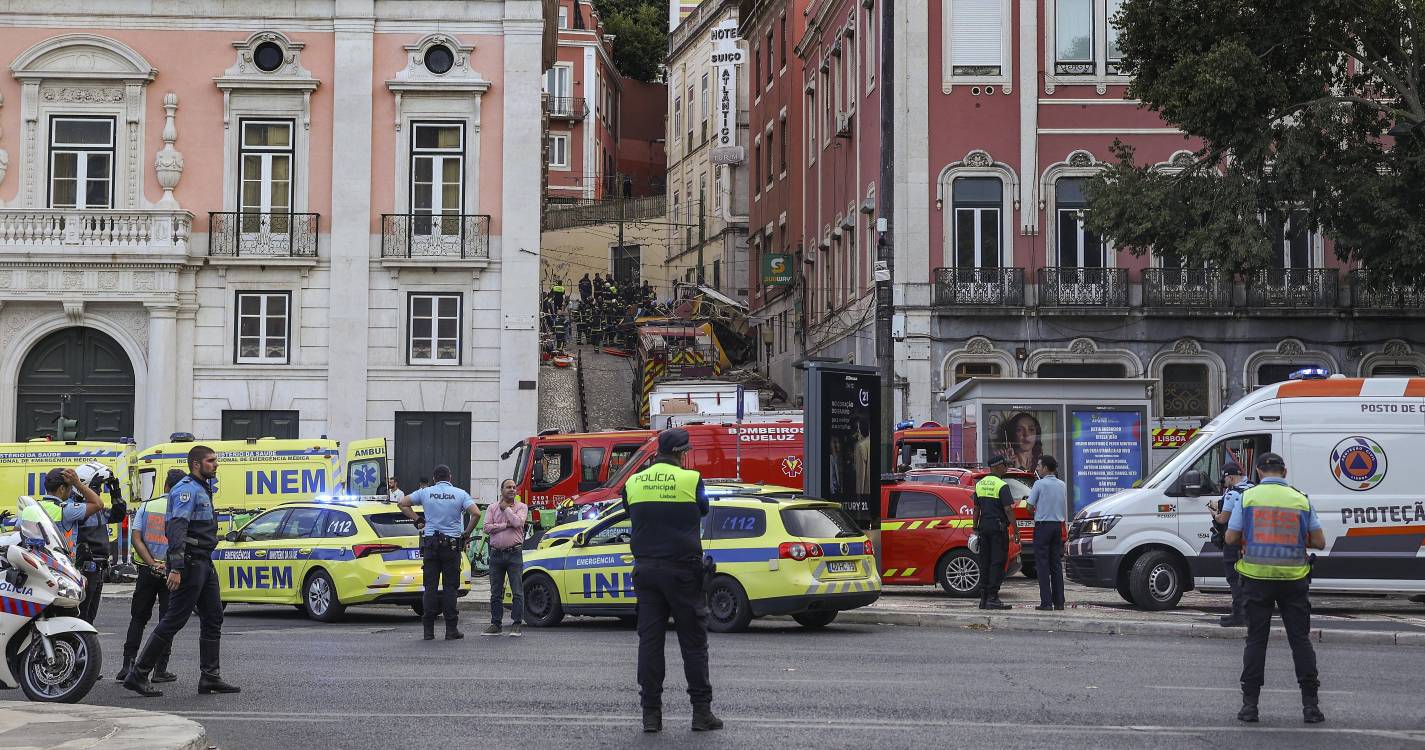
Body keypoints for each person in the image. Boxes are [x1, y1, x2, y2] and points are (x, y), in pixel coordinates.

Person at [622, 428, 721, 733]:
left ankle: (651, 715)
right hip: (682, 571)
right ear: (681, 453)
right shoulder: (691, 480)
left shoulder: (633, 482)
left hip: (647, 571)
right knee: (693, 644)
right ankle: (701, 714)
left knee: (650, 644)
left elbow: (630, 510)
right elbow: (703, 509)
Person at [124, 445, 239, 697]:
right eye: (211, 461)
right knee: (174, 619)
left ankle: (210, 677)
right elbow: (176, 529)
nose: (216, 464)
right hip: (190, 562)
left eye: (215, 460)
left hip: (203, 562)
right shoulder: (186, 490)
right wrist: (176, 567)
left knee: (213, 616)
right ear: (196, 464)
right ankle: (139, 674)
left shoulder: (202, 488)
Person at [1225, 452, 1326, 724]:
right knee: (1300, 641)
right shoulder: (1300, 499)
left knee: (1256, 640)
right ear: (1284, 472)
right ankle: (1311, 707)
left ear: (1258, 471)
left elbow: (1231, 536)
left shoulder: (1247, 498)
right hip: (1293, 580)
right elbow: (1319, 541)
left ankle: (1250, 707)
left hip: (1256, 580)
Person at [118, 469, 184, 684]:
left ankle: (127, 665)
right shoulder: (182, 509)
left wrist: (152, 563)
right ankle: (159, 670)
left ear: (165, 486)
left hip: (147, 571)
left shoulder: (147, 505)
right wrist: (167, 565)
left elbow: (136, 539)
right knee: (167, 621)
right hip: (171, 572)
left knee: (138, 618)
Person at [399, 465, 478, 640]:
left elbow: (402, 503)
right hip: (451, 546)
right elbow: (476, 513)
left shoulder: (425, 492)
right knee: (450, 588)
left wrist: (418, 519)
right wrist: (466, 533)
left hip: (431, 545)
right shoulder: (460, 494)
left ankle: (428, 631)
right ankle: (451, 630)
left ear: (434, 478)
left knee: (430, 588)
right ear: (450, 477)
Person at [40, 465, 109, 624]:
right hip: (62, 570)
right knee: (74, 618)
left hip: (40, 567)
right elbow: (98, 504)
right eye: (70, 488)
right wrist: (78, 483)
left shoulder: (31, 508)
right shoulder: (66, 510)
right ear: (62, 489)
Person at [482, 479, 528, 637]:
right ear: (501, 490)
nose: (512, 490)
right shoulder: (492, 507)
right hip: (496, 554)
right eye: (508, 487)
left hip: (514, 554)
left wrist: (506, 510)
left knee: (517, 591)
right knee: (495, 591)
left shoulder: (522, 507)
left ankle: (516, 624)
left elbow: (517, 523)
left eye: (514, 487)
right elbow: (486, 527)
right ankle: (496, 624)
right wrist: (504, 525)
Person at [1209, 461, 1252, 627]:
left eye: (1224, 478)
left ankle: (1239, 615)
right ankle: (1246, 613)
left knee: (1234, 578)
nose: (1223, 482)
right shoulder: (1252, 488)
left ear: (1231, 477)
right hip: (1251, 541)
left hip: (1234, 541)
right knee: (1247, 578)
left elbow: (1222, 519)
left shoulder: (1232, 494)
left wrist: (1212, 511)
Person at [972, 456, 1018, 610]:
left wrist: (974, 527)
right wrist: (1016, 530)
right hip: (998, 529)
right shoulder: (1002, 485)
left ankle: (983, 598)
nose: (1006, 468)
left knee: (985, 561)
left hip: (983, 528)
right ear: (997, 467)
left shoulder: (980, 484)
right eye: (1005, 465)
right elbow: (1008, 510)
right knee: (997, 563)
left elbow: (977, 509)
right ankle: (993, 597)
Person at [1026, 455, 1067, 611]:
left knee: (1042, 566)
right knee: (1056, 564)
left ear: (1045, 468)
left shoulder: (1039, 484)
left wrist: (1036, 511)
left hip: (1043, 527)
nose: (1037, 468)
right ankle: (1059, 602)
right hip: (1057, 527)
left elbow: (1029, 506)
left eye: (1038, 465)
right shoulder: (1062, 484)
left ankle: (1046, 603)